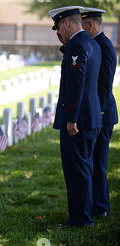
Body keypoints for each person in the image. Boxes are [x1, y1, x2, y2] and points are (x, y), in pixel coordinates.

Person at [49, 6, 102, 228]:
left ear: (66, 23)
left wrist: (71, 117)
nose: (58, 32)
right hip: (90, 118)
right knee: (85, 169)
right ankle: (84, 214)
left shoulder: (77, 46)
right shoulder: (91, 43)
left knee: (76, 170)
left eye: (59, 27)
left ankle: (80, 219)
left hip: (78, 121)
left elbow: (76, 84)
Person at [81, 7, 118, 218]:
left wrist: (100, 113)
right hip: (97, 111)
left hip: (102, 113)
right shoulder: (95, 44)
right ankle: (95, 204)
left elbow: (104, 85)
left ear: (90, 25)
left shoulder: (103, 46)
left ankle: (101, 206)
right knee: (92, 160)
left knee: (99, 161)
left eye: (83, 25)